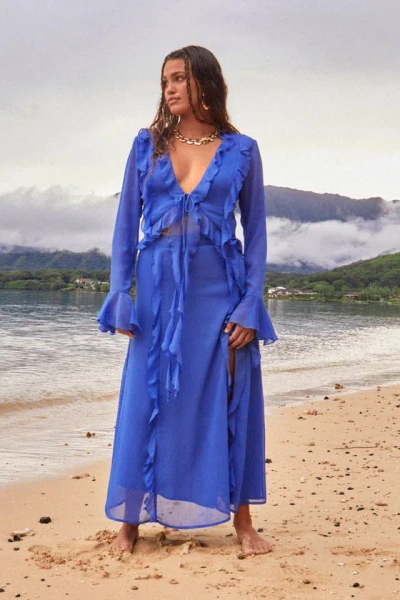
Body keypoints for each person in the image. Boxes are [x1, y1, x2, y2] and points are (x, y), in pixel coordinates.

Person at [96, 45, 278, 556]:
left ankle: (244, 523)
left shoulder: (242, 150)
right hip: (155, 291)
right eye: (165, 81)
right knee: (145, 399)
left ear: (205, 82)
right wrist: (120, 291)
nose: (170, 88)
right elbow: (125, 227)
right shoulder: (147, 144)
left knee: (229, 396)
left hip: (220, 290)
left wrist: (250, 303)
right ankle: (129, 522)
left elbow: (256, 234)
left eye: (179, 78)